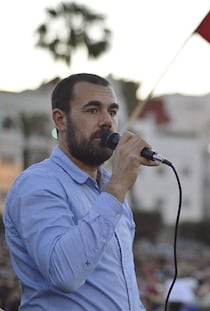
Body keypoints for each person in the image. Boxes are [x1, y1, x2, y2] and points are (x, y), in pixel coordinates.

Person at [3, 73, 159, 310]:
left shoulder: (107, 190)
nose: (107, 121)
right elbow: (64, 274)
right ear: (60, 120)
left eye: (113, 112)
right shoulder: (38, 183)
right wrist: (118, 187)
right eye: (93, 110)